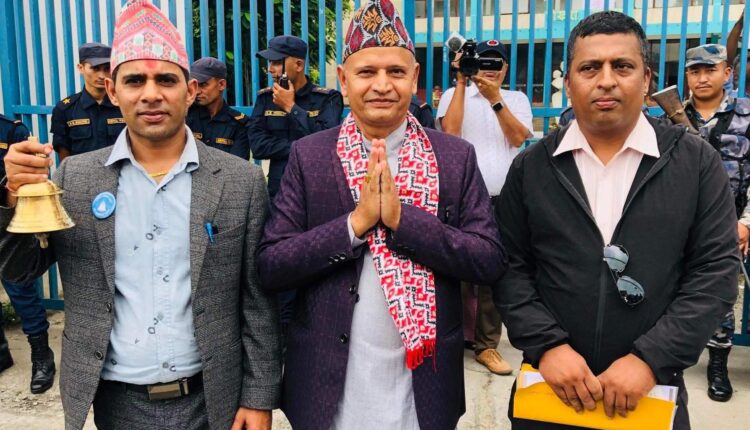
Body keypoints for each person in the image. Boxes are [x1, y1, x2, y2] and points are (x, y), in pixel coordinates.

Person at [0, 1, 281, 429]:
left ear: (190, 90)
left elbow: (257, 299)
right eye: (135, 80)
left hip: (214, 400)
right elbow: (19, 269)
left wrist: (259, 397)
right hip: (116, 403)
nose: (151, 93)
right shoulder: (75, 178)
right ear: (113, 91)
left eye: (166, 79)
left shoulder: (239, 182)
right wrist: (10, 199)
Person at [257, 1, 506, 429]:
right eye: (367, 72)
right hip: (327, 386)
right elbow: (272, 265)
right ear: (344, 80)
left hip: (424, 388)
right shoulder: (310, 156)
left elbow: (488, 260)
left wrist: (404, 222)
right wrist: (353, 226)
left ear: (414, 77)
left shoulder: (454, 157)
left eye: (395, 71)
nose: (382, 85)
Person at [496, 11, 738, 430]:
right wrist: (547, 346)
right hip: (550, 391)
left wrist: (650, 359)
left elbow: (715, 272)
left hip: (650, 395)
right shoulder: (532, 167)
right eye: (590, 68)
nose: (606, 80)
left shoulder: (695, 163)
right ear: (569, 83)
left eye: (622, 66)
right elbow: (509, 266)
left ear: (646, 80)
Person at [436, 39, 533, 375]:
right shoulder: (454, 94)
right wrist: (463, 82)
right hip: (461, 196)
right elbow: (450, 132)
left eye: (496, 63)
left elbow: (518, 137)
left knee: (493, 269)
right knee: (456, 267)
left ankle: (487, 345)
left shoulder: (516, 99)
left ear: (505, 68)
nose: (489, 69)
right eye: (484, 62)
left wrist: (495, 99)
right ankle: (456, 336)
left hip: (502, 197)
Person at [682, 43, 749, 403]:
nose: (702, 78)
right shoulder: (672, 116)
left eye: (710, 70)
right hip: (680, 223)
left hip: (729, 224)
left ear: (727, 73)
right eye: (695, 71)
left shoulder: (746, 116)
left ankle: (718, 364)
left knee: (722, 293)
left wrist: (746, 223)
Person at [0, 114, 56, 394]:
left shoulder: (11, 130)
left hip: (8, 224)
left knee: (19, 288)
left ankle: (41, 355)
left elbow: (32, 179)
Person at [249, 35, 344, 197]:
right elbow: (258, 146)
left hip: (317, 187)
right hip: (279, 189)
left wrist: (290, 107)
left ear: (298, 65)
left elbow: (327, 145)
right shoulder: (266, 98)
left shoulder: (327, 98)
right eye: (270, 62)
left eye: (276, 62)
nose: (270, 69)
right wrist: (304, 146)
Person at [50, 42, 125, 160]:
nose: (102, 75)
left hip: (119, 170)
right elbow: (64, 156)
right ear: (81, 68)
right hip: (80, 171)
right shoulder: (65, 109)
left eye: (107, 68)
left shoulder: (124, 106)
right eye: (95, 68)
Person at [186, 57, 251, 160]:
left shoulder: (239, 124)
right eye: (195, 85)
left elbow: (238, 165)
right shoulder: (184, 117)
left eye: (203, 85)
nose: (197, 91)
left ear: (221, 84)